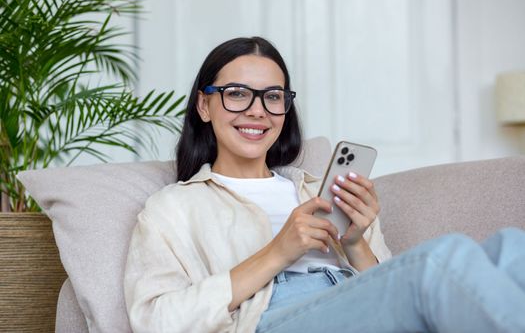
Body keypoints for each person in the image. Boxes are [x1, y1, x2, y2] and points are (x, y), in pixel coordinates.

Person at [124, 36, 525, 333]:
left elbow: (396, 292)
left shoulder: (317, 188)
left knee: (513, 247)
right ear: (204, 105)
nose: (257, 111)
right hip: (272, 318)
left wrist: (355, 244)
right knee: (442, 258)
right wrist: (278, 252)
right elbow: (155, 322)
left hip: (352, 303)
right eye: (237, 94)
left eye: (273, 97)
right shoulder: (172, 208)